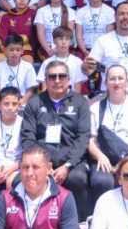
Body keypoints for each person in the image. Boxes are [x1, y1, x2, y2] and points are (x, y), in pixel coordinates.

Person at [20, 60, 90, 220]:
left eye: (61, 76)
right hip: (42, 161)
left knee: (77, 179)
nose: (57, 80)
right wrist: (42, 165)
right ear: (45, 80)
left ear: (68, 79)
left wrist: (67, 166)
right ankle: (34, 223)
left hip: (72, 162)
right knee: (24, 179)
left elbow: (83, 137)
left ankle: (79, 224)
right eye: (52, 77)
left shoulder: (80, 102)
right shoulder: (34, 103)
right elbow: (28, 137)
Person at [88, 64, 128, 208]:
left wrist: (126, 161)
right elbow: (91, 140)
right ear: (105, 83)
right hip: (104, 158)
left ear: (127, 82)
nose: (116, 82)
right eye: (112, 79)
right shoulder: (96, 108)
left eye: (120, 78)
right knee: (101, 181)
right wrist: (100, 156)